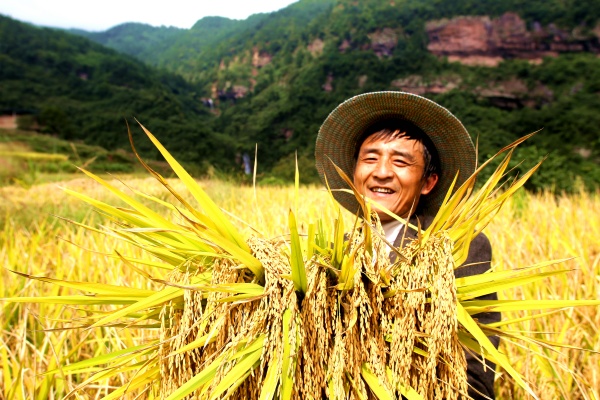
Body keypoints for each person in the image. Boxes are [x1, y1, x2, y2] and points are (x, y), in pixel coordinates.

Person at [315, 91, 500, 399]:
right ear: (354, 174)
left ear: (428, 182)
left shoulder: (458, 246)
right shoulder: (332, 254)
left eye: (400, 161)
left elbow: (476, 369)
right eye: (370, 158)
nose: (382, 172)